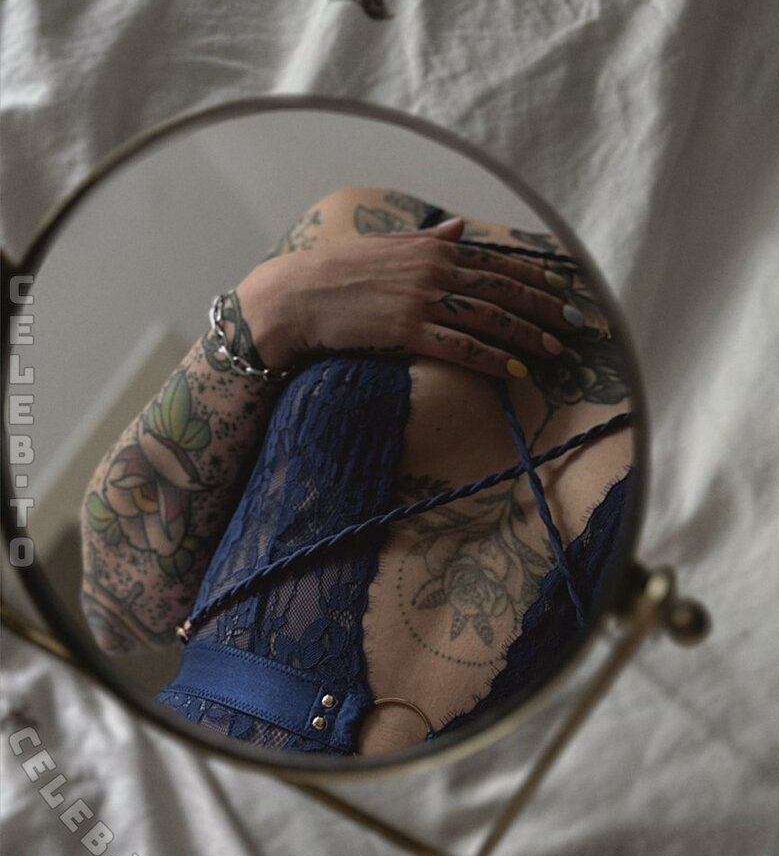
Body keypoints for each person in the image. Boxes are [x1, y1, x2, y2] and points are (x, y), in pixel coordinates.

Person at [80, 186, 633, 756]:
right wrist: (269, 309)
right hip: (180, 785)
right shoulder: (368, 228)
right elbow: (122, 612)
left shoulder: (693, 416)